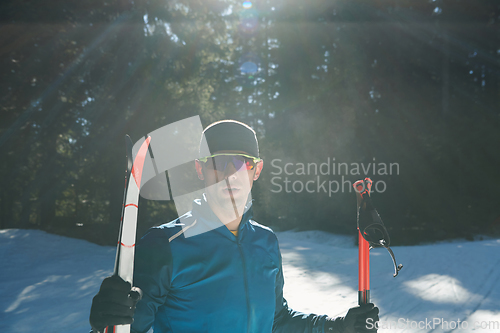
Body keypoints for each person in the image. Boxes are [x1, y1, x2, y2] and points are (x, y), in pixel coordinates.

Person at [89, 120, 379, 333]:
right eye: (219, 162)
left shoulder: (265, 243)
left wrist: (338, 327)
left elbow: (276, 320)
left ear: (257, 170)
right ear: (200, 169)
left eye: (241, 162)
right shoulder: (166, 245)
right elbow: (124, 326)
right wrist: (106, 320)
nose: (230, 175)